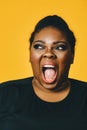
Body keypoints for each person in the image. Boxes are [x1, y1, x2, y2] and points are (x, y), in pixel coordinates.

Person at [0, 15, 87, 130]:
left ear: (72, 56)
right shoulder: (5, 94)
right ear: (30, 55)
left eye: (60, 47)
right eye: (39, 46)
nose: (48, 53)